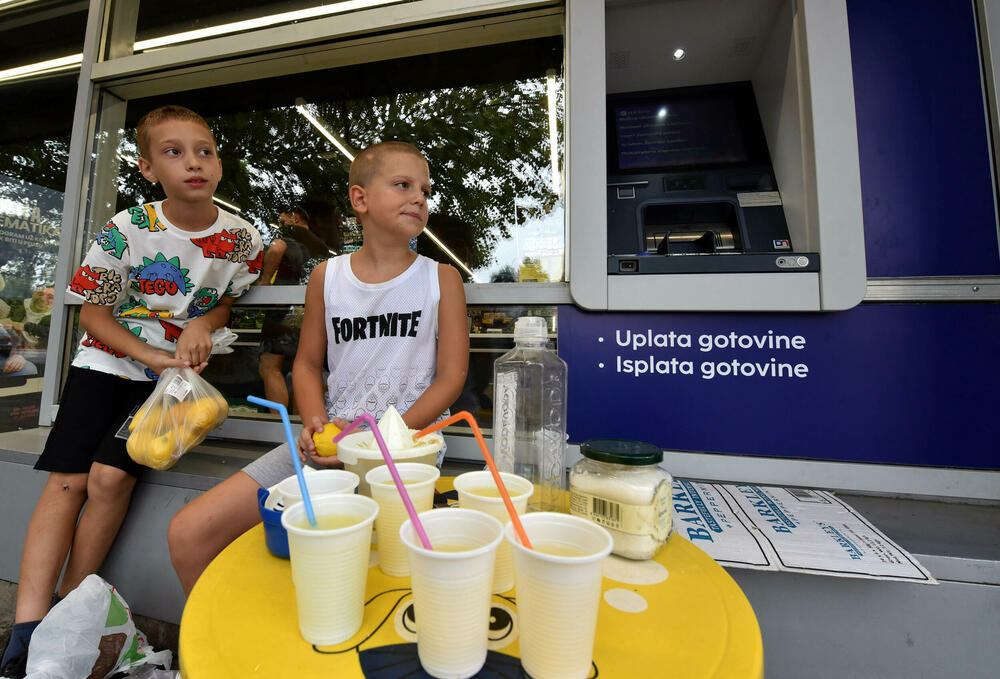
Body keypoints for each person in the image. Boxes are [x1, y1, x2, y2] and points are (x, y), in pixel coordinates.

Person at [0, 105, 263, 678]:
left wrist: (202, 324)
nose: (193, 162)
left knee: (112, 475)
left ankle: (70, 612)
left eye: (205, 150)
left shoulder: (243, 238)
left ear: (218, 162)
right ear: (147, 167)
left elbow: (225, 304)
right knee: (68, 481)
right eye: (174, 152)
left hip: (175, 385)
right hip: (106, 364)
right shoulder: (127, 227)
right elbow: (93, 313)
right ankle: (25, 628)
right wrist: (145, 353)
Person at [167, 140, 469, 595]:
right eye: (403, 185)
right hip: (328, 446)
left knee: (370, 574)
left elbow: (452, 378)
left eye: (425, 190)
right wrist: (315, 422)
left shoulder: (441, 277)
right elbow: (306, 366)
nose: (419, 198)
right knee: (188, 533)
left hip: (408, 455)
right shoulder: (326, 276)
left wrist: (378, 438)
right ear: (360, 199)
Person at [256, 204, 334, 412]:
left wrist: (264, 281)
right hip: (312, 310)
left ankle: (278, 425)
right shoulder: (321, 247)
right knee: (307, 368)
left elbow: (277, 248)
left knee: (270, 366)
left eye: (282, 218)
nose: (280, 222)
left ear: (296, 218)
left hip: (283, 310)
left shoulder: (290, 237)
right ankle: (303, 423)